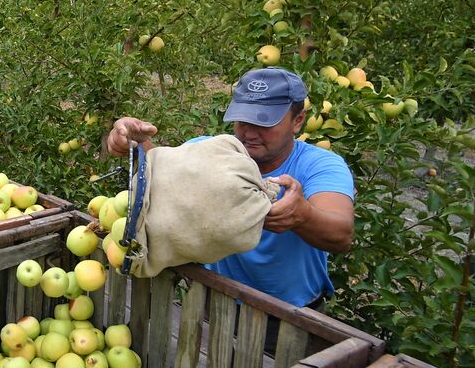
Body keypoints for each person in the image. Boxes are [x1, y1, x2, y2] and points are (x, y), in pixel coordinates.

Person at [106, 67, 354, 310]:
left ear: (297, 121)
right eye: (243, 120)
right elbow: (164, 174)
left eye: (264, 122)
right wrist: (134, 143)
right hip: (216, 301)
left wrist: (303, 216)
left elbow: (341, 234)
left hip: (292, 316)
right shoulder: (212, 152)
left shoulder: (319, 165)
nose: (250, 132)